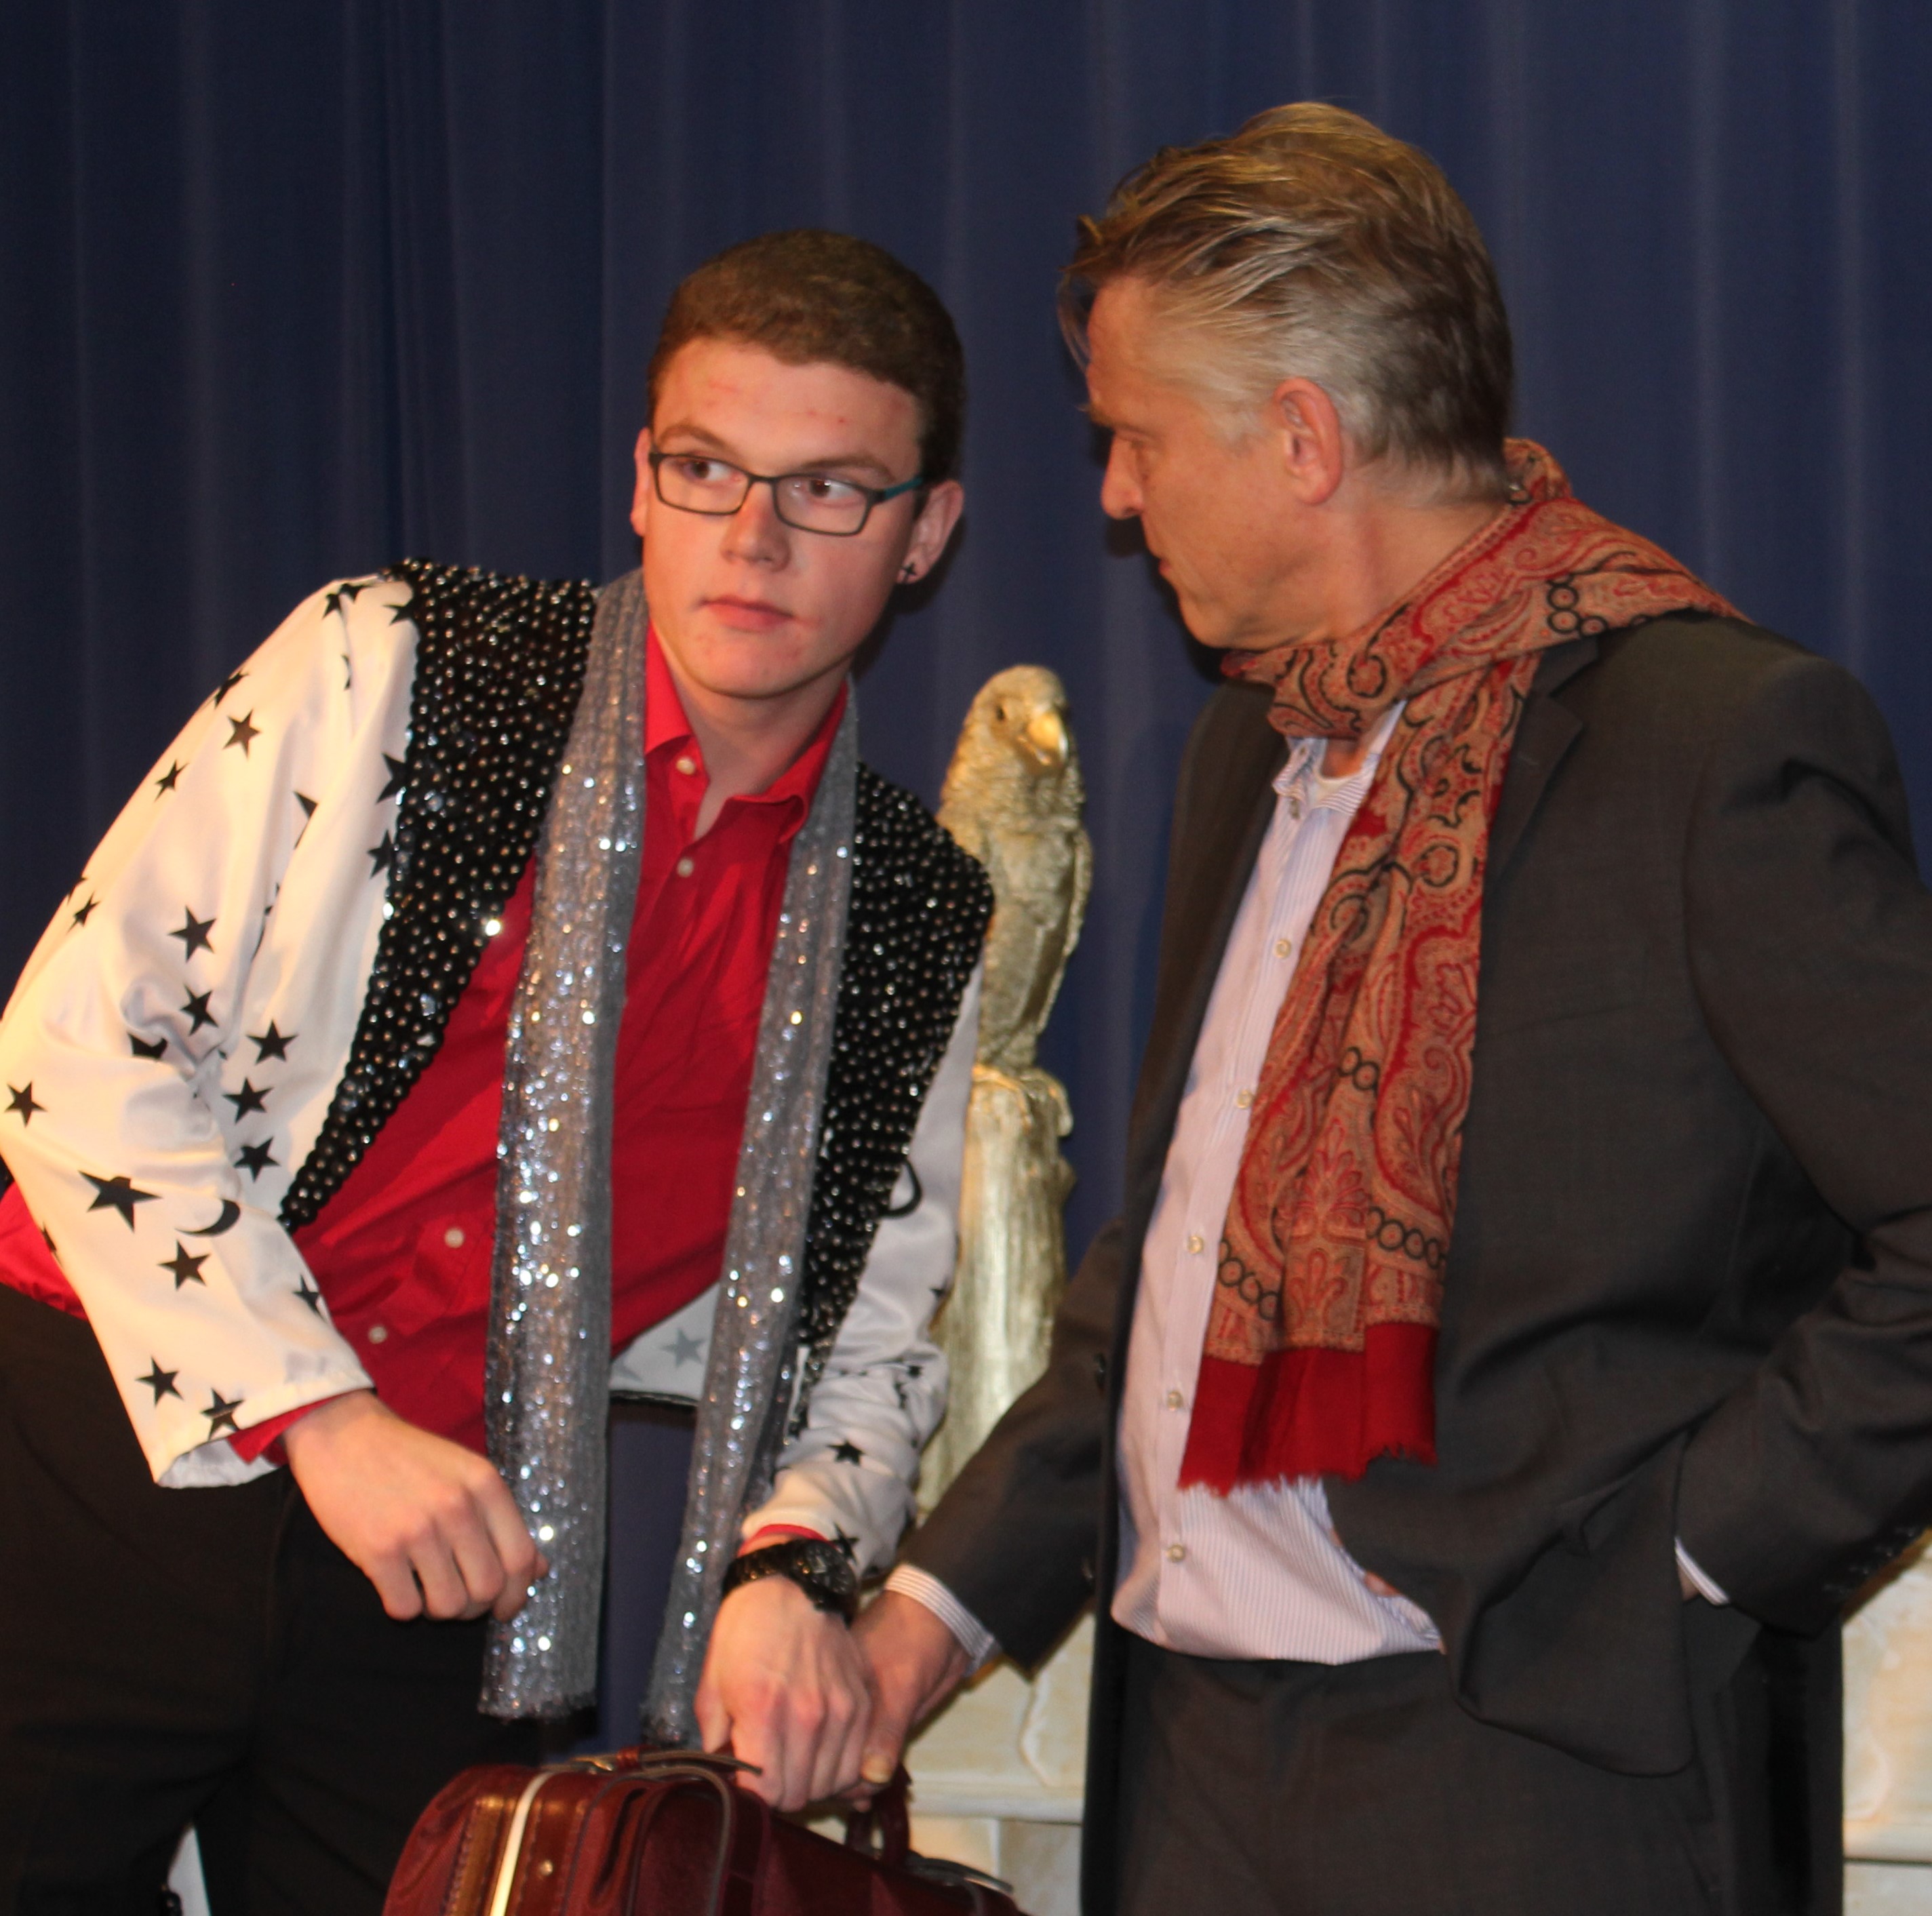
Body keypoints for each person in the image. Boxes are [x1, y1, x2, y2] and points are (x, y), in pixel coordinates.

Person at [853, 104, 1932, 1915]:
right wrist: (930, 1611)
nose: (1112, 494)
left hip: (1541, 1779)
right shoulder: (1250, 746)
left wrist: (1682, 1564)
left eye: (1134, 437)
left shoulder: (1705, 743)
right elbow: (1179, 1258)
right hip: (1192, 1771)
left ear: (1300, 437)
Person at [0, 228, 989, 1914]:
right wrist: (318, 1411)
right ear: (641, 480)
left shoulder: (911, 908)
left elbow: (876, 1339)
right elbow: (77, 1037)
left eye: (828, 489)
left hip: (448, 1558)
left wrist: (793, 1568)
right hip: (102, 1439)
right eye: (707, 469)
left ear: (925, 532)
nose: (752, 537)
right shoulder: (399, 659)